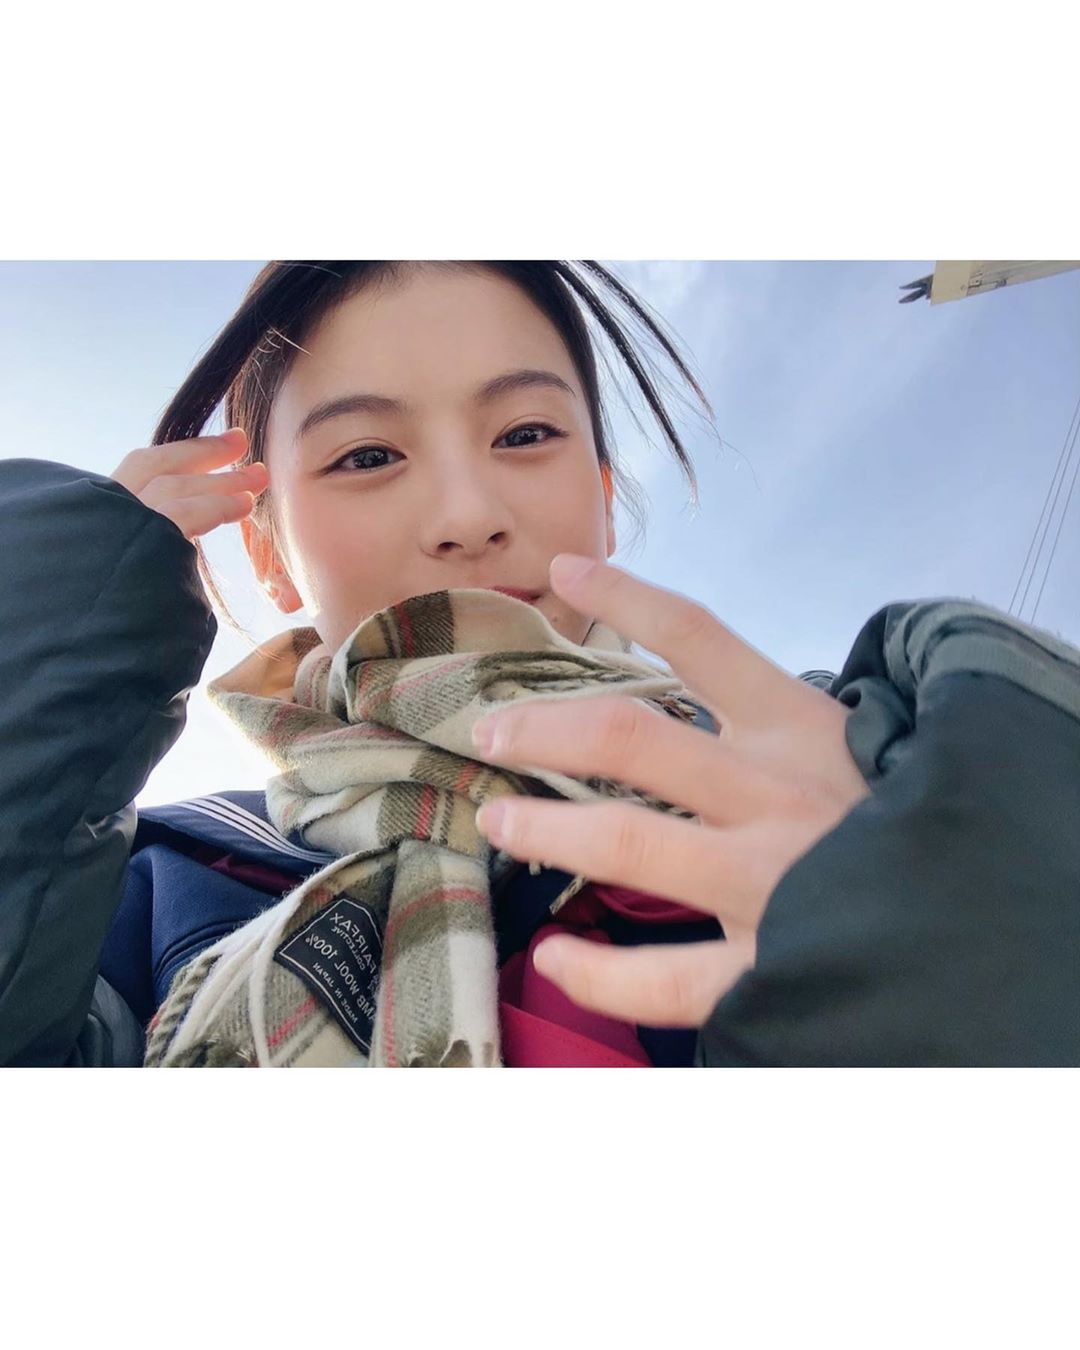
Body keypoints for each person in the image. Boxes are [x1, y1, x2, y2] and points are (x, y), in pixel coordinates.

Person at [0, 260, 1077, 1067]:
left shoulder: (878, 774)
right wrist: (49, 601)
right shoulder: (154, 890)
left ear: (602, 498)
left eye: (524, 435)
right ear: (271, 553)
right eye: (367, 455)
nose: (468, 514)